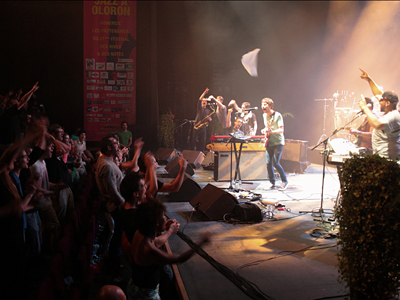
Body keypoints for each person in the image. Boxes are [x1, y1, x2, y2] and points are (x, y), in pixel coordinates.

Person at [127, 199, 209, 300]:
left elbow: (156, 240)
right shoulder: (149, 249)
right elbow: (178, 259)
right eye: (163, 217)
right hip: (146, 294)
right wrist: (200, 243)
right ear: (156, 223)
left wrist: (166, 228)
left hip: (137, 286)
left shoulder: (140, 233)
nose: (165, 218)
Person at [358, 68, 400, 159]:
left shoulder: (392, 116)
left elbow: (377, 124)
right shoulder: (392, 110)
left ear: (388, 103)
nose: (379, 102)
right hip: (383, 158)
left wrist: (365, 108)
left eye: (381, 101)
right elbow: (379, 93)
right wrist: (369, 79)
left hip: (387, 160)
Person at [261, 98, 288, 190]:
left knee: (275, 163)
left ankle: (284, 181)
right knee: (268, 163)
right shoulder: (264, 116)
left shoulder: (277, 115)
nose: (263, 107)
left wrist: (272, 131)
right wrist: (265, 130)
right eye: (262, 105)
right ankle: (272, 182)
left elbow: (281, 130)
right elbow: (267, 127)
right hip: (269, 142)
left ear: (270, 106)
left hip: (278, 143)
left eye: (265, 105)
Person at [192, 88, 212, 152]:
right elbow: (200, 99)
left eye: (205, 101)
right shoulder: (200, 108)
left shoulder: (208, 110)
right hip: (197, 125)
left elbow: (211, 119)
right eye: (203, 102)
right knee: (194, 140)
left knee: (203, 141)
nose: (205, 102)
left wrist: (209, 119)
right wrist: (204, 92)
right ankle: (193, 152)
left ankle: (202, 153)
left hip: (203, 127)